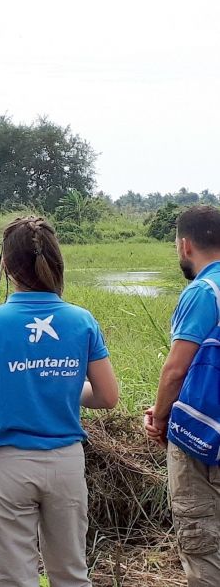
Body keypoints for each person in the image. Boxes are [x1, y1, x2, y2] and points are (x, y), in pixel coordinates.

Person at [0, 216, 119, 587]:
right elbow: (108, 397)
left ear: (8, 266)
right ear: (56, 261)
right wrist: (58, 387)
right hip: (65, 463)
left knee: (16, 577)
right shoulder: (82, 321)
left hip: (9, 465)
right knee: (72, 573)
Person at [145, 205, 220, 587]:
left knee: (202, 540)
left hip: (205, 443)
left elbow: (176, 369)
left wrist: (159, 418)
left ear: (185, 245)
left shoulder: (204, 292)